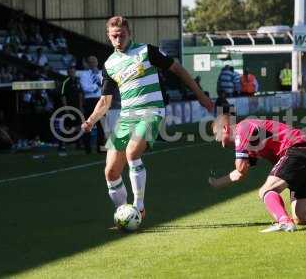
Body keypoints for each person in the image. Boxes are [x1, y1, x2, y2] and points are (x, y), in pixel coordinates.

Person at [81, 16, 213, 219]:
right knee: (111, 172)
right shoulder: (109, 65)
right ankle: (123, 214)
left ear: (129, 33)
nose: (118, 39)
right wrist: (90, 120)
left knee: (133, 152)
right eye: (114, 36)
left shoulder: (146, 51)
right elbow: (105, 102)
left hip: (151, 111)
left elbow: (177, 68)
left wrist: (201, 95)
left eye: (122, 35)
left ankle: (139, 207)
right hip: (126, 117)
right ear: (108, 36)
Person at [80, 55, 105, 154]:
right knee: (88, 124)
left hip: (100, 100)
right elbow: (85, 88)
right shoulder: (84, 75)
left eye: (94, 62)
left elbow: (105, 86)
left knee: (101, 126)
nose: (93, 64)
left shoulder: (101, 74)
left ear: (97, 63)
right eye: (91, 62)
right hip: (89, 101)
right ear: (88, 63)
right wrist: (96, 86)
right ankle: (87, 149)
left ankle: (101, 148)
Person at [59, 66, 84, 154]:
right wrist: (66, 107)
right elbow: (63, 96)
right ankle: (62, 144)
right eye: (70, 72)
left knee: (78, 126)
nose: (72, 73)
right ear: (68, 73)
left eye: (73, 71)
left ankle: (78, 144)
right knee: (67, 127)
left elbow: (80, 94)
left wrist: (81, 106)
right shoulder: (65, 82)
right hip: (69, 107)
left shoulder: (78, 81)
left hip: (77, 107)